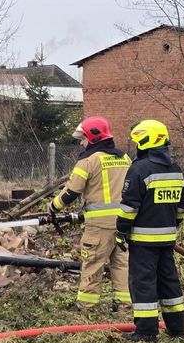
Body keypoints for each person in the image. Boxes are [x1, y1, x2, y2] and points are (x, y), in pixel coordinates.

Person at [116, 119, 184, 343]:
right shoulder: (176, 170)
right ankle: (177, 328)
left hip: (143, 241)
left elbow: (129, 208)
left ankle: (146, 332)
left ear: (145, 142)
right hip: (167, 240)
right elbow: (182, 207)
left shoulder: (139, 169)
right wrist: (171, 225)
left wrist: (121, 231)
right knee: (169, 283)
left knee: (143, 284)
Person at [49, 116, 132, 310]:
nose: (81, 142)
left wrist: (53, 207)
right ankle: (124, 305)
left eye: (83, 138)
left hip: (99, 225)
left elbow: (71, 192)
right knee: (121, 264)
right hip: (124, 223)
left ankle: (86, 307)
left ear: (94, 138)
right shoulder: (125, 158)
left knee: (93, 263)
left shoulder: (88, 161)